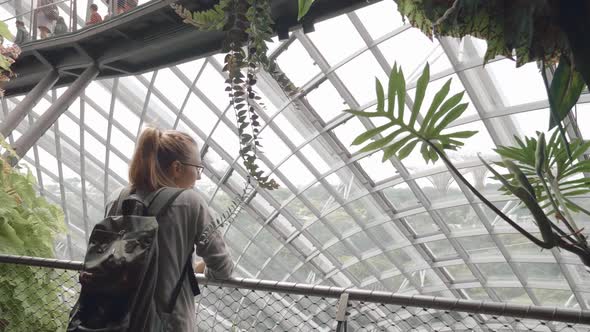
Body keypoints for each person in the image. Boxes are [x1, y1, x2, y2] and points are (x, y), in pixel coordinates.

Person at [106, 127, 233, 331]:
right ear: (177, 168)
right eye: (197, 168)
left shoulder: (117, 198)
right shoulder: (189, 203)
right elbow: (223, 268)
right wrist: (199, 271)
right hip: (168, 324)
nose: (198, 177)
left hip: (111, 319)